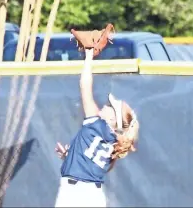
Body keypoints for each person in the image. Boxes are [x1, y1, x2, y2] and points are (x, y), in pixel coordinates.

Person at [54, 48, 140, 207]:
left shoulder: (96, 123)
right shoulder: (115, 143)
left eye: (109, 106)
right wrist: (70, 156)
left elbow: (85, 86)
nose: (105, 106)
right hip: (94, 196)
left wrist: (88, 56)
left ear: (113, 118)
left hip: (73, 193)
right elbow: (89, 165)